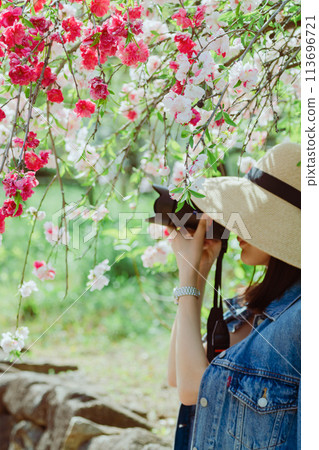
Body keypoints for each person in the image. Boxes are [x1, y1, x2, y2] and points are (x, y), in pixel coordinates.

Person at [167, 142, 301, 450]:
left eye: (255, 217)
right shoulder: (253, 303)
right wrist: (198, 271)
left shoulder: (301, 317)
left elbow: (193, 390)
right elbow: (177, 372)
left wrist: (187, 277)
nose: (238, 225)